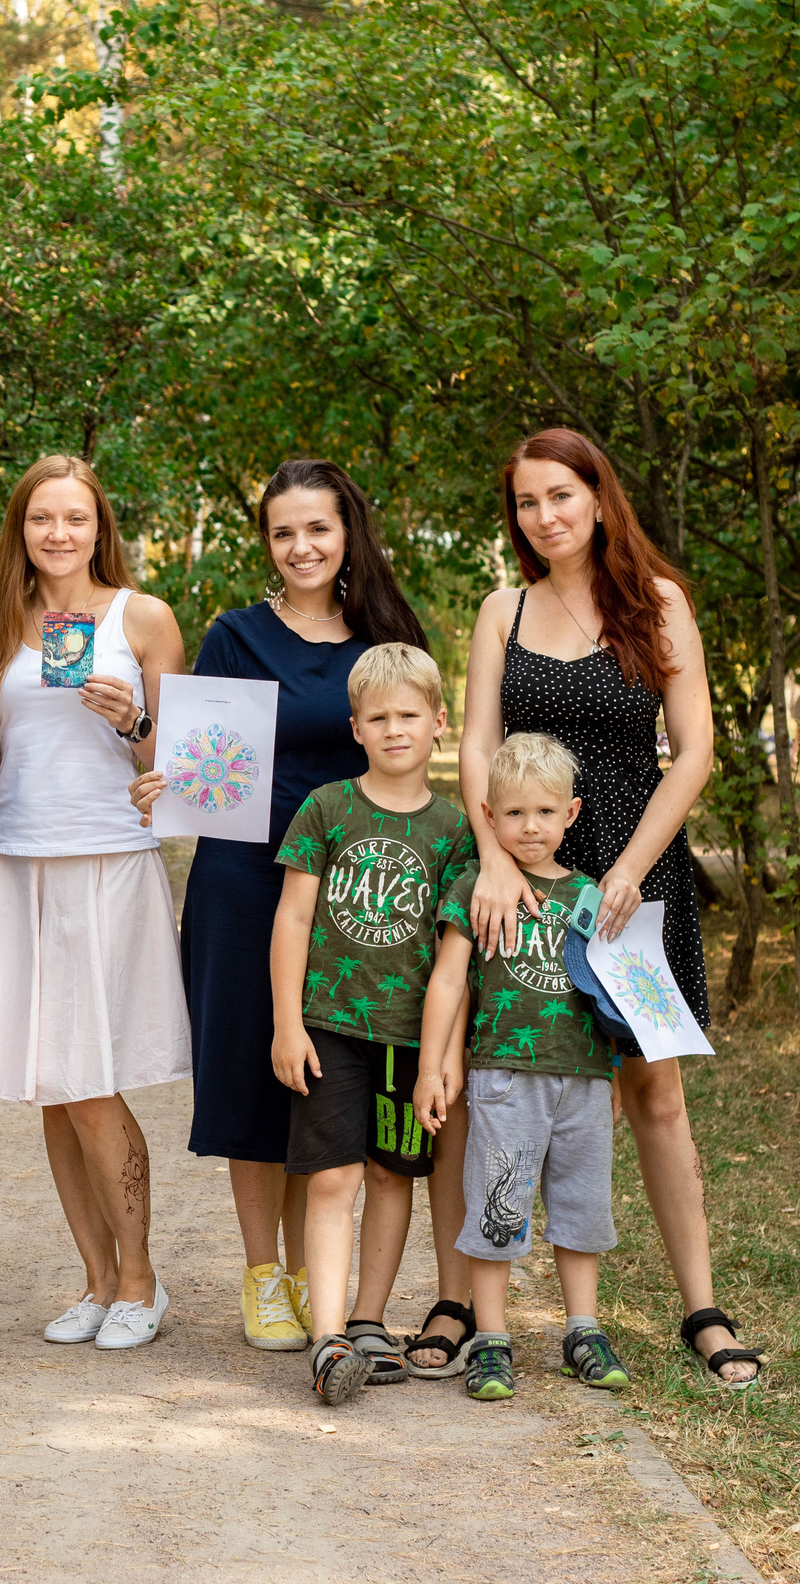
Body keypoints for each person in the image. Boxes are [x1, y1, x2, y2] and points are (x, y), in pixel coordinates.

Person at [453, 427, 762, 1390]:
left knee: (653, 1090)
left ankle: (702, 1310)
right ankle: (469, 1304)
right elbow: (474, 746)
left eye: (560, 496)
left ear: (598, 496)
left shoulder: (658, 602)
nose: (544, 517)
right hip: (525, 880)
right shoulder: (502, 609)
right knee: (495, 1075)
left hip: (635, 879)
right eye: (526, 504)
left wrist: (630, 869)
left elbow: (695, 749)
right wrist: (497, 859)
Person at [133, 461, 432, 1354]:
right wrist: (157, 764)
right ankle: (263, 1273)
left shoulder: (386, 635)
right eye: (283, 532)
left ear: (349, 534)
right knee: (250, 1074)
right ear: (267, 543)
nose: (301, 547)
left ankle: (312, 1270)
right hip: (245, 878)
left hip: (356, 889)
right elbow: (199, 759)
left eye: (318, 529)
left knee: (322, 1077)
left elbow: (410, 750)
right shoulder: (235, 636)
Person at [0, 456, 192, 1350]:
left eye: (76, 519)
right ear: (20, 529)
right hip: (19, 865)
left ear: (101, 529)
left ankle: (142, 1279)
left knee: (92, 1082)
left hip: (110, 864)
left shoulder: (145, 618)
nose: (59, 533)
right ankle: (96, 1280)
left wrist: (133, 723)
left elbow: (190, 763)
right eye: (41, 518)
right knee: (51, 1088)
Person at [254, 643, 478, 1404]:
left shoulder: (455, 831)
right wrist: (288, 1023)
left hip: (409, 1038)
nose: (394, 729)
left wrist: (439, 1059)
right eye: (377, 717)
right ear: (355, 727)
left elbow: (457, 956)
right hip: (331, 1026)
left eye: (409, 715)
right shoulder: (326, 808)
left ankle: (370, 1320)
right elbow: (291, 918)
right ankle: (326, 1339)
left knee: (393, 1174)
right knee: (333, 1178)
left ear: (439, 722)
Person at [417, 731, 630, 1402]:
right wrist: (431, 1068)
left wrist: (614, 1074)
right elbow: (448, 983)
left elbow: (611, 995)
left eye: (543, 811)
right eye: (513, 813)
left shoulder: (591, 896)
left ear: (570, 812)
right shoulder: (474, 888)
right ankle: (491, 1337)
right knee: (498, 1204)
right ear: (488, 814)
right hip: (505, 1073)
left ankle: (584, 1330)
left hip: (583, 1078)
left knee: (582, 1202)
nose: (529, 826)